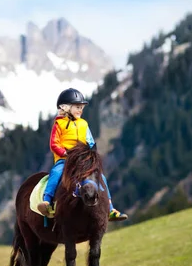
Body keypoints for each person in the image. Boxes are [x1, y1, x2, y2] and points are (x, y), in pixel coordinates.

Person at [37, 88, 129, 221]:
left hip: (83, 161)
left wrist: (91, 155)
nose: (81, 110)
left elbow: (91, 142)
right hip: (65, 160)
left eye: (81, 107)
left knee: (101, 177)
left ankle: (110, 209)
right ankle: (47, 202)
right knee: (56, 173)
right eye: (77, 107)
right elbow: (54, 144)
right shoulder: (59, 124)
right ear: (66, 108)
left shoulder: (84, 124)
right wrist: (65, 154)